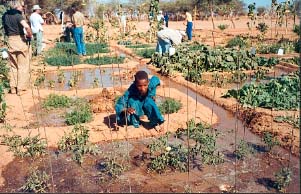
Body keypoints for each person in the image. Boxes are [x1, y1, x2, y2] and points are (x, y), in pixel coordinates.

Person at [2, 0, 33, 95]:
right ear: (16, 6)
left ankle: (13, 88)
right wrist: (29, 35)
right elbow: (26, 26)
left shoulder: (5, 16)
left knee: (13, 66)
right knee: (22, 66)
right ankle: (20, 89)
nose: (22, 7)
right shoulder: (18, 16)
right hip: (20, 40)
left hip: (10, 40)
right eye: (21, 6)